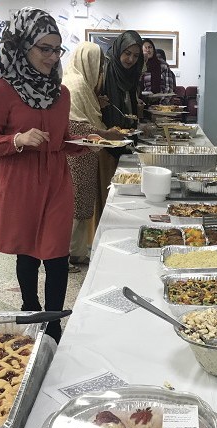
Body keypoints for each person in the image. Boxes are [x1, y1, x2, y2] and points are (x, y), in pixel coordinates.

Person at [0, 7, 95, 343]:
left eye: (56, 49)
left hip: (57, 181)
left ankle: (54, 323)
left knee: (57, 255)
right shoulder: (3, 90)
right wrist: (17, 139)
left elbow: (59, 140)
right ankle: (31, 309)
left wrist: (85, 143)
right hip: (20, 182)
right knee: (27, 252)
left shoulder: (61, 93)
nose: (52, 57)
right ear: (23, 46)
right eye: (44, 48)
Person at [62, 41, 126, 269]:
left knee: (82, 205)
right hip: (76, 155)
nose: (99, 71)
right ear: (87, 61)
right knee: (75, 205)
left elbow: (81, 116)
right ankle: (64, 255)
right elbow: (74, 126)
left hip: (85, 153)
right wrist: (106, 134)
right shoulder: (76, 84)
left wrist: (96, 102)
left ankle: (77, 252)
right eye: (98, 65)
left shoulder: (79, 83)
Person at [97, 30, 144, 223]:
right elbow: (92, 98)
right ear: (118, 50)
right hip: (106, 140)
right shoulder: (105, 69)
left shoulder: (132, 72)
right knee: (110, 189)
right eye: (127, 53)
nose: (131, 59)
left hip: (127, 136)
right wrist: (98, 102)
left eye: (136, 55)